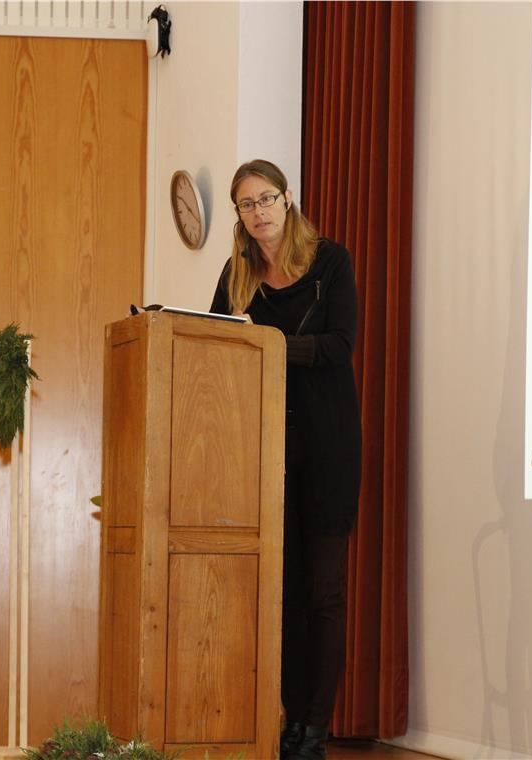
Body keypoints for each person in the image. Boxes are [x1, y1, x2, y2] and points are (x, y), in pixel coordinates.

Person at [209, 160, 362, 760]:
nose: (259, 212)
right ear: (240, 215)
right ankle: (290, 720)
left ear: (288, 198)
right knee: (283, 594)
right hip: (267, 449)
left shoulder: (330, 263)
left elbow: (340, 346)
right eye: (247, 204)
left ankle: (315, 730)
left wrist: (267, 343)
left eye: (267, 198)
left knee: (323, 592)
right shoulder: (237, 276)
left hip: (328, 447)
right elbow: (217, 344)